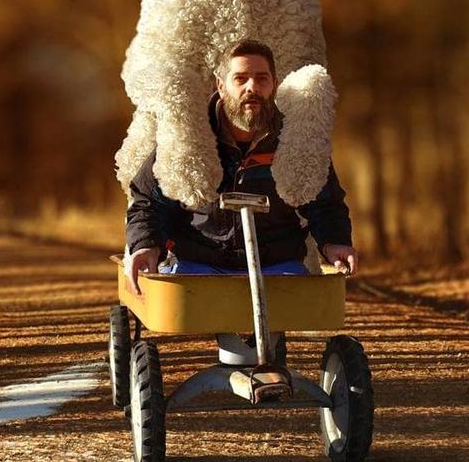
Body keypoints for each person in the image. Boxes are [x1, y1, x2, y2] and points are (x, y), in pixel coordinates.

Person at [124, 39, 358, 295]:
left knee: (294, 300)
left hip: (277, 267)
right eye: (240, 79)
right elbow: (149, 201)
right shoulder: (188, 134)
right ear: (221, 86)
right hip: (199, 266)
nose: (252, 88)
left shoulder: (297, 138)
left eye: (261, 79)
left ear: (274, 85)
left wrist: (335, 242)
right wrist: (146, 245)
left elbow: (324, 202)